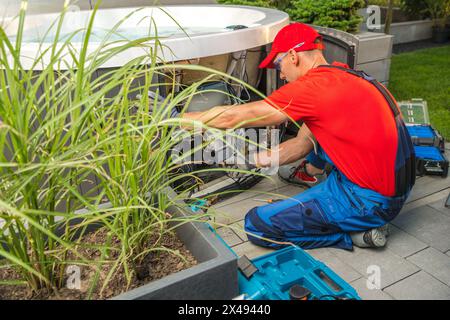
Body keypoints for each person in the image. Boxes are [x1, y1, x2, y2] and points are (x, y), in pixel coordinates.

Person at [179, 22, 415, 250]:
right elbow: (302, 144)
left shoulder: (313, 88)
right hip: (394, 188)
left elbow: (232, 117)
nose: (281, 75)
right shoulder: (341, 74)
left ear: (293, 55)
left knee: (257, 224)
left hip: (368, 201)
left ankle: (358, 233)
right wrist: (251, 161)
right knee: (318, 138)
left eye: (279, 65)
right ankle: (312, 175)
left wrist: (177, 120)